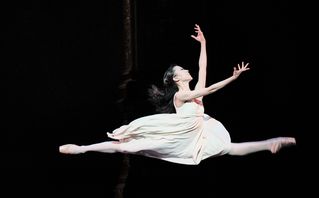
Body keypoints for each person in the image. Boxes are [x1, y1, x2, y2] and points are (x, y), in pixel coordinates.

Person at [59, 24, 296, 165]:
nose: (187, 69)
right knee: (127, 147)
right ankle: (83, 148)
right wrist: (233, 78)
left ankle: (269, 143)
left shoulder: (194, 93)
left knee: (228, 148)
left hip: (196, 132)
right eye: (182, 70)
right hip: (174, 135)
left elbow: (203, 67)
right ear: (176, 78)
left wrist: (203, 43)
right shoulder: (181, 97)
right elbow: (211, 88)